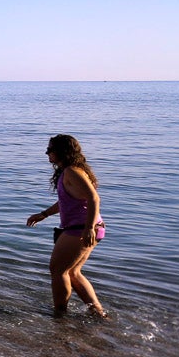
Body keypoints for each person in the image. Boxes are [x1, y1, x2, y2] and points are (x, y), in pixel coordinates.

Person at [26, 134, 107, 318]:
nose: (47, 153)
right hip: (88, 227)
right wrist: (44, 214)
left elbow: (94, 198)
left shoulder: (72, 171)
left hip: (82, 228)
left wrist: (88, 228)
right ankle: (98, 313)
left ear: (62, 151)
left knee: (58, 270)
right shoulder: (70, 171)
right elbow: (66, 201)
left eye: (50, 150)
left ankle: (60, 313)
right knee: (73, 272)